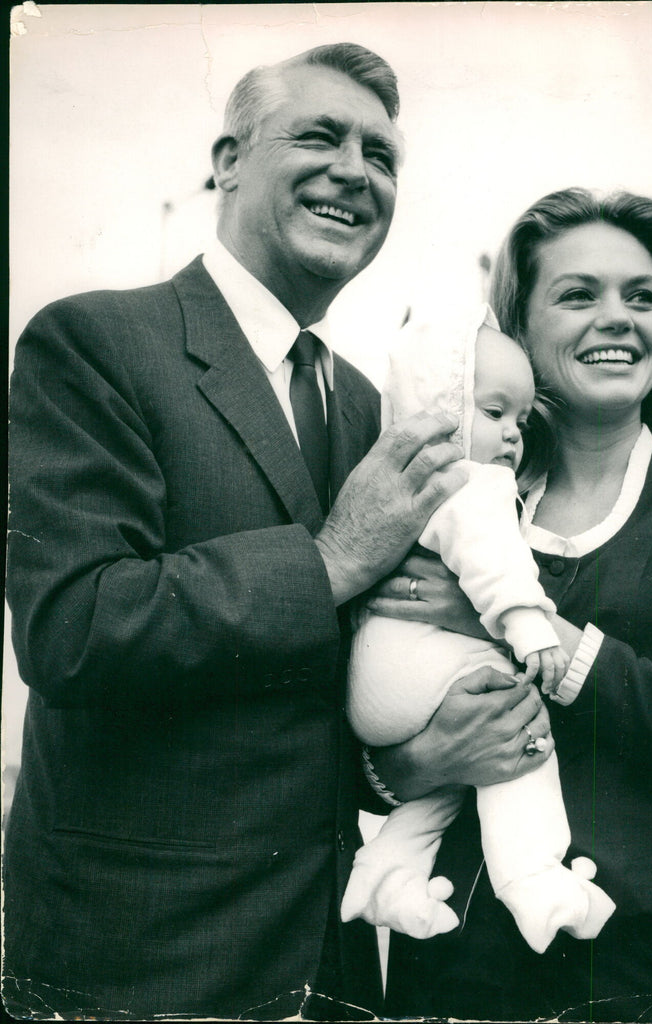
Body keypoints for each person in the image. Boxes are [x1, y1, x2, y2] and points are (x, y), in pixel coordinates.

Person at [3, 44, 551, 1021]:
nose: (355, 169)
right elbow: (72, 628)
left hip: (327, 961)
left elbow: (331, 694)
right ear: (226, 159)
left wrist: (404, 764)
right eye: (318, 135)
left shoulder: (366, 410)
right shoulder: (92, 345)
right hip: (140, 962)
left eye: (381, 156)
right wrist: (332, 557)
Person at [378, 188, 652, 1022]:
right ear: (517, 332)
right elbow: (380, 700)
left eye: (642, 297)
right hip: (454, 942)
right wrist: (406, 767)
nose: (619, 318)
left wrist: (534, 637)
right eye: (578, 295)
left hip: (638, 951)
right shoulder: (452, 499)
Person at [341, 305, 615, 952]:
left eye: (521, 419)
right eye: (494, 414)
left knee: (464, 763)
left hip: (384, 678)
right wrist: (529, 628)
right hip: (412, 666)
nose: (514, 436)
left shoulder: (399, 483)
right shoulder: (470, 482)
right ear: (437, 409)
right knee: (514, 729)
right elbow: (491, 558)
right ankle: (533, 878)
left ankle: (389, 871)